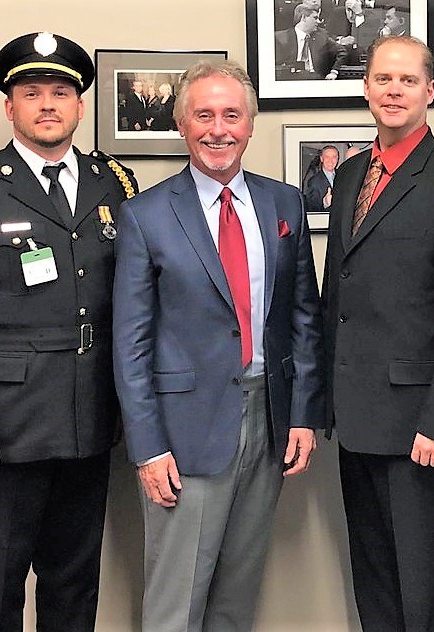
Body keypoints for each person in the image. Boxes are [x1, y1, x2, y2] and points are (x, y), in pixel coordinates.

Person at [0, 31, 137, 631]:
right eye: (31, 92)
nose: (46, 104)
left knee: (73, 585)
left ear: (80, 105)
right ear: (9, 107)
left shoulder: (111, 183)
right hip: (1, 431)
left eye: (60, 92)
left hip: (88, 421)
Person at [112, 59, 324, 631]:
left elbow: (303, 315)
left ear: (251, 125)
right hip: (184, 430)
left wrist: (303, 414)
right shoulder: (146, 215)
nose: (218, 129)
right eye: (203, 115)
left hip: (269, 418)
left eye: (232, 115)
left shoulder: (283, 205)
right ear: (182, 125)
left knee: (239, 588)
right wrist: (148, 447)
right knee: (176, 597)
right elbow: (130, 344)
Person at [322, 35, 434, 631]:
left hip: (421, 428)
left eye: (406, 80)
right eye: (381, 79)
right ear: (365, 87)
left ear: (429, 91)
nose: (393, 90)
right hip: (357, 420)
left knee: (423, 594)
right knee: (373, 584)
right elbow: (339, 295)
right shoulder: (350, 175)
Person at [275, 4, 347, 80]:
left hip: (316, 80)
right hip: (291, 81)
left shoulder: (321, 37)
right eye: (315, 18)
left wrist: (334, 72)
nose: (318, 22)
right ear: (303, 18)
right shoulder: (281, 39)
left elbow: (342, 52)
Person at [303, 144, 339, 212]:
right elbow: (311, 208)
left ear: (337, 159)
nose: (330, 160)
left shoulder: (343, 175)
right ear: (321, 159)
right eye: (327, 157)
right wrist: (325, 202)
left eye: (334, 157)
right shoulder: (314, 181)